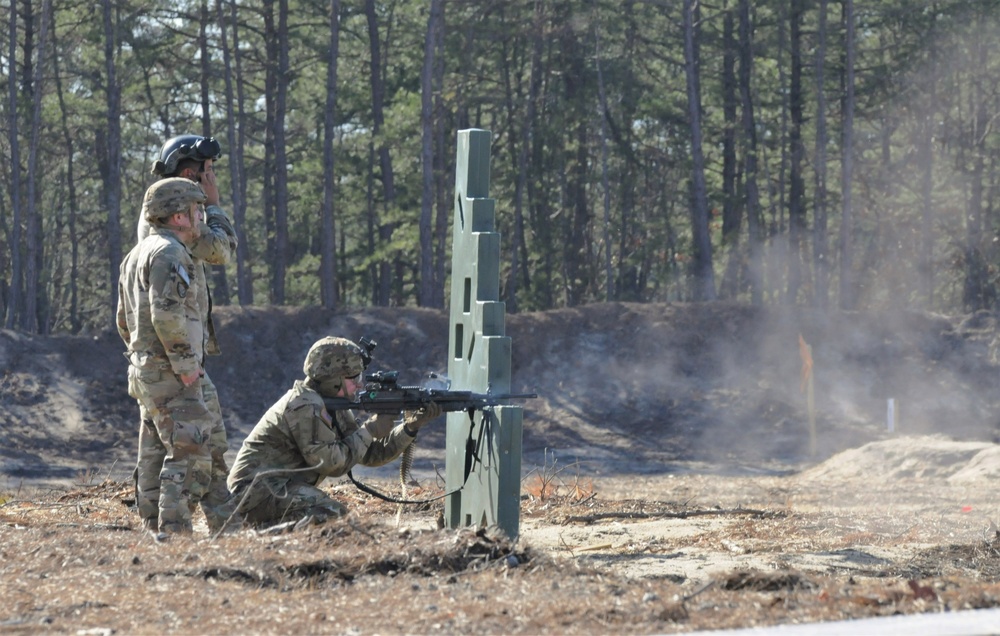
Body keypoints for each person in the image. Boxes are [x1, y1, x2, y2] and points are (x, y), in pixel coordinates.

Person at [132, 135, 239, 533]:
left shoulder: (156, 221)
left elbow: (125, 317)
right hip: (175, 362)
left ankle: (214, 526)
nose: (210, 182)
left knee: (171, 446)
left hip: (157, 360)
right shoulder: (173, 229)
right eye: (206, 174)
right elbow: (221, 251)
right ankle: (174, 532)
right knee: (191, 448)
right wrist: (212, 205)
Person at [227, 337, 441, 528]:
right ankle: (251, 532)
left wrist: (410, 427)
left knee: (336, 520)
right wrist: (371, 430)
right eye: (353, 379)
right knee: (334, 517)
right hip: (254, 495)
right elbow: (333, 463)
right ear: (333, 379)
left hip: (275, 490)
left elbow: (371, 454)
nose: (360, 385)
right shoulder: (304, 406)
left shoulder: (332, 405)